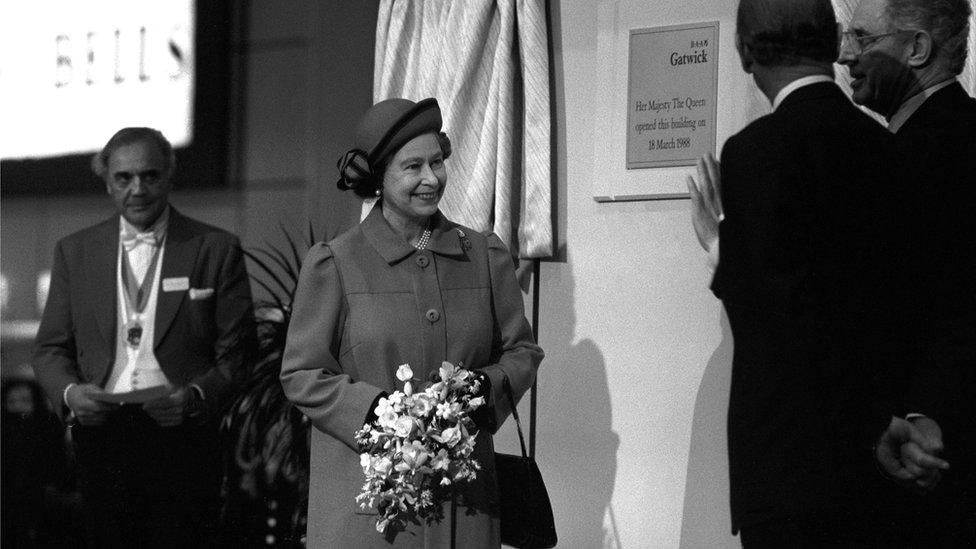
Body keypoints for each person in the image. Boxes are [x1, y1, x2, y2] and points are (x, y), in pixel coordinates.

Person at [705, 0, 950, 545]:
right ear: (834, 39)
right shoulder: (889, 150)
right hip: (879, 467)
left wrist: (721, 253)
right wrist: (890, 420)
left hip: (789, 465)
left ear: (745, 54)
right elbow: (909, 308)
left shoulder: (754, 153)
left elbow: (774, 319)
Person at [280, 97, 543, 548]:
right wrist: (377, 413)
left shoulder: (483, 255)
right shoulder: (335, 263)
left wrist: (482, 392)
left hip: (465, 505)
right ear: (377, 178)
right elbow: (302, 374)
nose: (431, 178)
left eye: (437, 162)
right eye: (412, 167)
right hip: (370, 513)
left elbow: (522, 352)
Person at [32, 127, 254, 548]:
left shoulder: (216, 248)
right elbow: (49, 349)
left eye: (150, 176)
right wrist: (69, 393)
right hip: (102, 434)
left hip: (182, 436)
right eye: (124, 178)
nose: (138, 189)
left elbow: (240, 353)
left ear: (170, 176)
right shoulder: (74, 251)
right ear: (107, 181)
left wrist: (194, 396)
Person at [839, 0, 976, 543]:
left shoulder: (911, 157)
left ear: (917, 49)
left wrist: (925, 411)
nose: (846, 54)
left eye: (864, 40)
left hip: (929, 465)